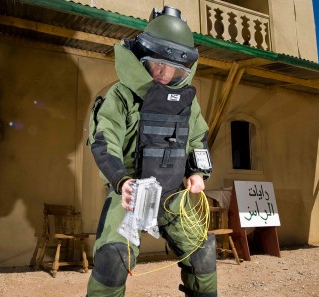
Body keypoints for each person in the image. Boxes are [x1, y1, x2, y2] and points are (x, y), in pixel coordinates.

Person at [86, 6, 217, 297]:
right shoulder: (120, 95)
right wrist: (121, 180)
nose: (163, 72)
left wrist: (197, 173)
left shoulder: (187, 102)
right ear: (143, 58)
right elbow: (104, 139)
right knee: (113, 257)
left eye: (172, 68)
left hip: (173, 196)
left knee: (203, 250)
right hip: (130, 194)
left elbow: (198, 138)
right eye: (156, 63)